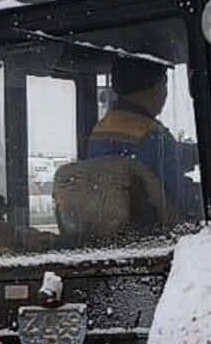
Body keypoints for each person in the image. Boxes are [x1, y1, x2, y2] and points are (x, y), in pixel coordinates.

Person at [85, 58, 199, 223]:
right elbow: (177, 192)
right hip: (150, 228)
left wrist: (193, 154)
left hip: (115, 226)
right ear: (158, 87)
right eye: (164, 85)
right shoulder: (150, 133)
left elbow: (148, 159)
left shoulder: (101, 129)